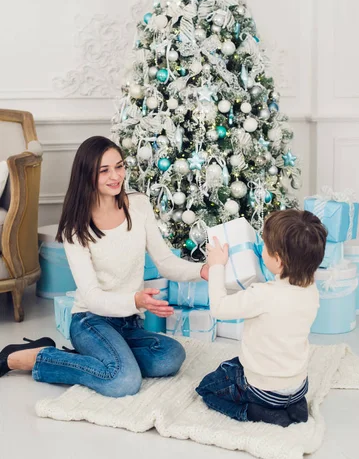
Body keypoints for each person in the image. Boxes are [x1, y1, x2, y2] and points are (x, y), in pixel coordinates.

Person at [0, 136, 209, 396]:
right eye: (104, 170)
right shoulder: (75, 227)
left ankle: (96, 358)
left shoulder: (139, 206)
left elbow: (165, 262)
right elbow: (92, 298)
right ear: (87, 175)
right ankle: (29, 357)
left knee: (171, 356)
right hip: (90, 320)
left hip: (128, 322)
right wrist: (136, 299)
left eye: (119, 166)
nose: (116, 176)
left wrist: (201, 270)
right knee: (122, 380)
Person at [197, 209, 327, 427]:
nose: (261, 248)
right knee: (255, 367)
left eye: (265, 247)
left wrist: (217, 266)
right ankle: (295, 406)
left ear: (278, 260)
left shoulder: (262, 295)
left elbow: (218, 308)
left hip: (264, 390)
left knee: (207, 387)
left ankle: (256, 411)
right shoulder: (311, 290)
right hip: (298, 386)